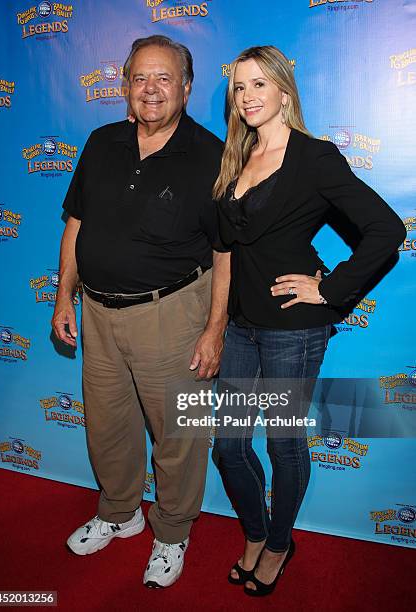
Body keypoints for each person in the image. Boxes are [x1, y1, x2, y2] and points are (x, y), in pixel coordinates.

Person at [212, 45, 406, 597]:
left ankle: (277, 544)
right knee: (227, 443)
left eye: (258, 85)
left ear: (284, 92)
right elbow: (225, 250)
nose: (247, 97)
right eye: (239, 87)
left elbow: (388, 229)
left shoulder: (314, 158)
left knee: (282, 444)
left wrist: (329, 289)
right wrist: (216, 322)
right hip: (242, 325)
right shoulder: (235, 159)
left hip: (292, 330)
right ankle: (254, 531)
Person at [51, 35, 230, 588]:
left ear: (186, 86)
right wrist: (64, 294)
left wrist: (214, 328)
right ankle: (120, 512)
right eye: (140, 78)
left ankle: (172, 531)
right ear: (126, 85)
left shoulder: (212, 154)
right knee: (109, 426)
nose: (151, 89)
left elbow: (226, 252)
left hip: (172, 313)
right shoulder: (102, 141)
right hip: (99, 313)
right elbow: (76, 224)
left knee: (178, 432)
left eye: (164, 78)